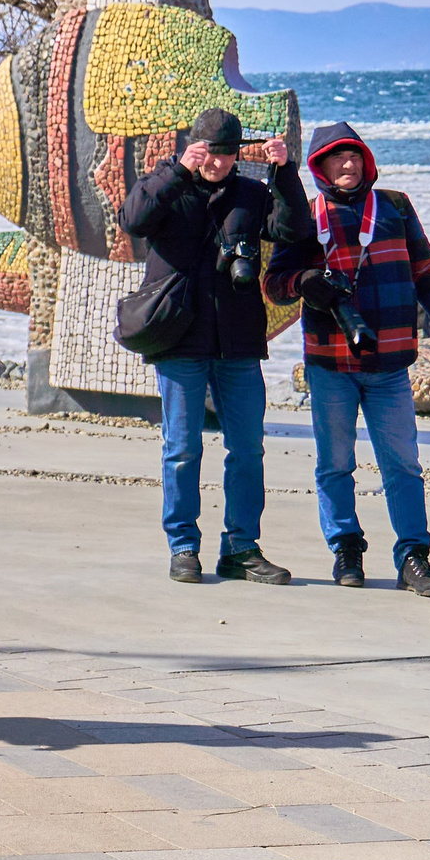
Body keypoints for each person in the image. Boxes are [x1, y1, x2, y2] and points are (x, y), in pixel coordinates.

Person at [266, 122, 430, 597]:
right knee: (335, 465)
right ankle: (346, 549)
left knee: (403, 466)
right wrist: (304, 283)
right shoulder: (305, 214)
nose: (348, 164)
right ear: (320, 166)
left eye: (355, 155)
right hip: (329, 366)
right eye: (337, 157)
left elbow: (427, 271)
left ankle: (413, 558)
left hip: (390, 366)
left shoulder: (395, 206)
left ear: (366, 161)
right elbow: (274, 284)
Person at [119, 107, 307, 586]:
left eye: (227, 153)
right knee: (182, 448)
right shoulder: (166, 183)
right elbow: (132, 220)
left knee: (247, 449)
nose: (218, 162)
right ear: (192, 147)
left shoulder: (251, 193)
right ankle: (183, 546)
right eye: (209, 152)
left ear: (237, 154)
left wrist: (285, 174)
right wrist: (178, 172)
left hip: (238, 342)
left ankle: (241, 549)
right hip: (179, 339)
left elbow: (292, 231)